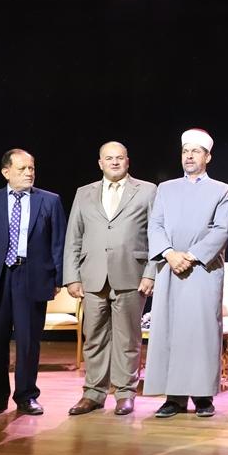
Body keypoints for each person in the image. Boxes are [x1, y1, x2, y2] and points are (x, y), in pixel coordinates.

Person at [0, 149, 66, 417]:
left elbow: (58, 243)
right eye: (22, 169)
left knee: (28, 341)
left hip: (32, 277)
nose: (29, 173)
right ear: (6, 172)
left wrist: (58, 279)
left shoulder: (50, 201)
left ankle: (26, 396)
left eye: (31, 168)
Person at [143, 128, 228, 418]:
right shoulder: (165, 188)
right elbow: (155, 225)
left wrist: (191, 256)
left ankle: (203, 396)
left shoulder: (222, 190)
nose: (189, 156)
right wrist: (170, 254)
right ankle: (174, 398)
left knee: (201, 332)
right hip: (170, 268)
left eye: (196, 151)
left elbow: (221, 230)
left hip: (203, 270)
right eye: (185, 151)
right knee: (170, 331)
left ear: (208, 157)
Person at [63, 141, 157, 416]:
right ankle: (93, 393)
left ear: (127, 161)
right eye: (109, 158)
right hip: (92, 276)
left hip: (131, 275)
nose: (114, 162)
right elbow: (73, 237)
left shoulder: (147, 190)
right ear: (100, 163)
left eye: (119, 158)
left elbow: (157, 235)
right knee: (93, 338)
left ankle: (125, 393)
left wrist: (150, 273)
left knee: (128, 339)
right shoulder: (84, 193)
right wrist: (72, 277)